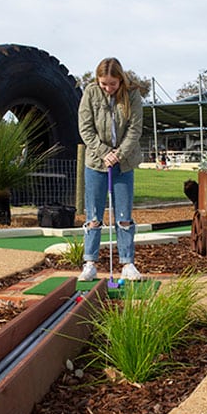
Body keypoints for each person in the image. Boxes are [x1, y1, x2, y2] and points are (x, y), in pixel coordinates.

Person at [77, 57, 144, 282]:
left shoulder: (132, 95)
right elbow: (85, 128)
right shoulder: (91, 93)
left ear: (120, 79)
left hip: (123, 164)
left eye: (112, 84)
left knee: (124, 216)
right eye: (104, 83)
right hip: (96, 163)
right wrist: (104, 152)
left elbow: (134, 129)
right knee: (94, 216)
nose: (108, 88)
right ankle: (90, 263)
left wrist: (118, 154)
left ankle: (127, 264)